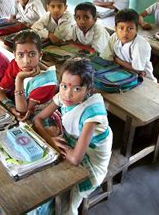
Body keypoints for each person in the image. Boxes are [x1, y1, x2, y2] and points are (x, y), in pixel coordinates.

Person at [33, 58, 112, 215]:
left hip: (92, 162)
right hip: (72, 145)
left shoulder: (92, 114)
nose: (67, 94)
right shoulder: (63, 97)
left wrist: (52, 143)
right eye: (64, 86)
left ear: (88, 89)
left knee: (66, 206)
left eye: (76, 89)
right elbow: (37, 119)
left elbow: (76, 159)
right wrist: (51, 140)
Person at [0, 30, 58, 122]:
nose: (26, 61)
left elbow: (22, 112)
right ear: (15, 56)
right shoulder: (15, 64)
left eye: (32, 54)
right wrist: (11, 108)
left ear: (40, 55)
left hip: (41, 118)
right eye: (20, 55)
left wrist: (19, 79)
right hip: (18, 107)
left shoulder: (46, 81)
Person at [101, 9, 156, 81]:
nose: (125, 33)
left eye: (130, 28)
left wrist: (116, 59)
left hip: (144, 80)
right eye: (121, 28)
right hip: (123, 74)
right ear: (115, 28)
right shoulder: (115, 37)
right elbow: (106, 56)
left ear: (137, 29)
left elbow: (137, 70)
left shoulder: (140, 44)